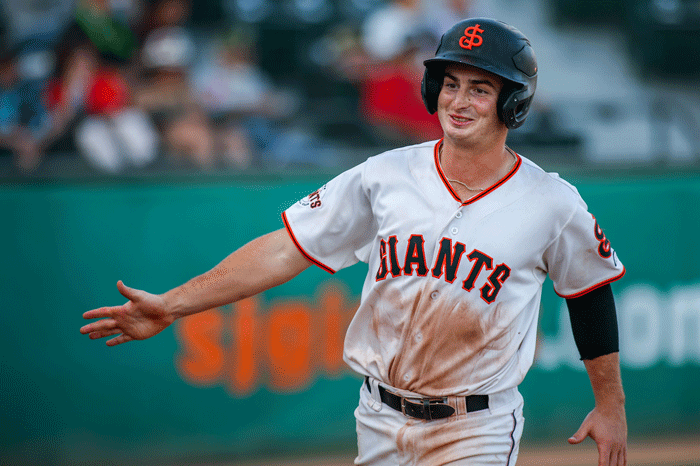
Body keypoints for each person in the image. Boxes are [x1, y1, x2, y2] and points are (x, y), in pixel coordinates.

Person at [81, 18, 627, 466]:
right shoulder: (384, 175)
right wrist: (173, 305)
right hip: (379, 420)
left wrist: (610, 404)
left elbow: (590, 291)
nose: (458, 101)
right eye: (450, 84)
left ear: (513, 105)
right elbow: (283, 249)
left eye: (480, 89)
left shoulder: (551, 202)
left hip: (476, 427)